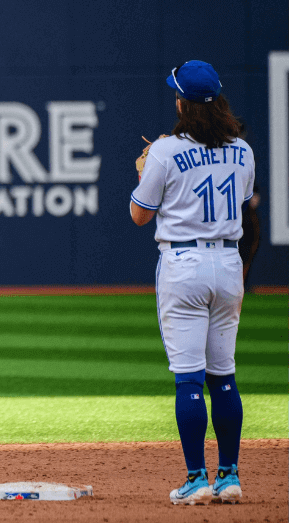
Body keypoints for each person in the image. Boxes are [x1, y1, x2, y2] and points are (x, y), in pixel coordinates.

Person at [130, 60, 254, 505]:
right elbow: (239, 204)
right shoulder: (243, 150)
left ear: (181, 103)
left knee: (189, 381)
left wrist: (146, 171)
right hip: (227, 264)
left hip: (183, 263)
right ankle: (230, 476)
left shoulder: (164, 151)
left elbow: (141, 215)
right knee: (224, 376)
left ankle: (197, 478)